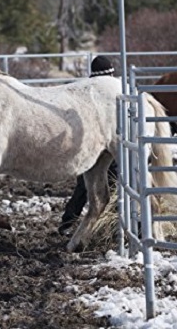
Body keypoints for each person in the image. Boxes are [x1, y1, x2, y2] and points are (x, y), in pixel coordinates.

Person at [59, 56, 118, 235]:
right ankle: (113, 225)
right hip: (109, 145)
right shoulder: (114, 91)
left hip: (88, 147)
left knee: (85, 186)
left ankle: (68, 221)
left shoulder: (85, 93)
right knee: (115, 185)